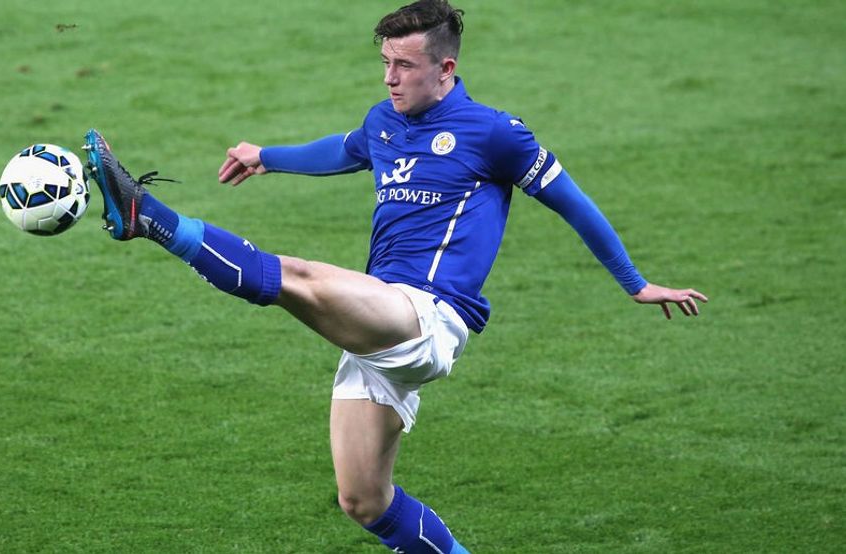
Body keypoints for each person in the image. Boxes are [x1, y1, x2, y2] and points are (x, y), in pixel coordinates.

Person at [83, 1, 707, 551]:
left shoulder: (495, 133)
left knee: (296, 277)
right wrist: (266, 157)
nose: (390, 77)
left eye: (404, 66)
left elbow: (575, 203)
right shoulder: (386, 121)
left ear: (445, 69)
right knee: (364, 501)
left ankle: (147, 217)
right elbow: (347, 148)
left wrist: (635, 282)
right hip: (380, 321)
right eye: (385, 62)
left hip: (428, 317)